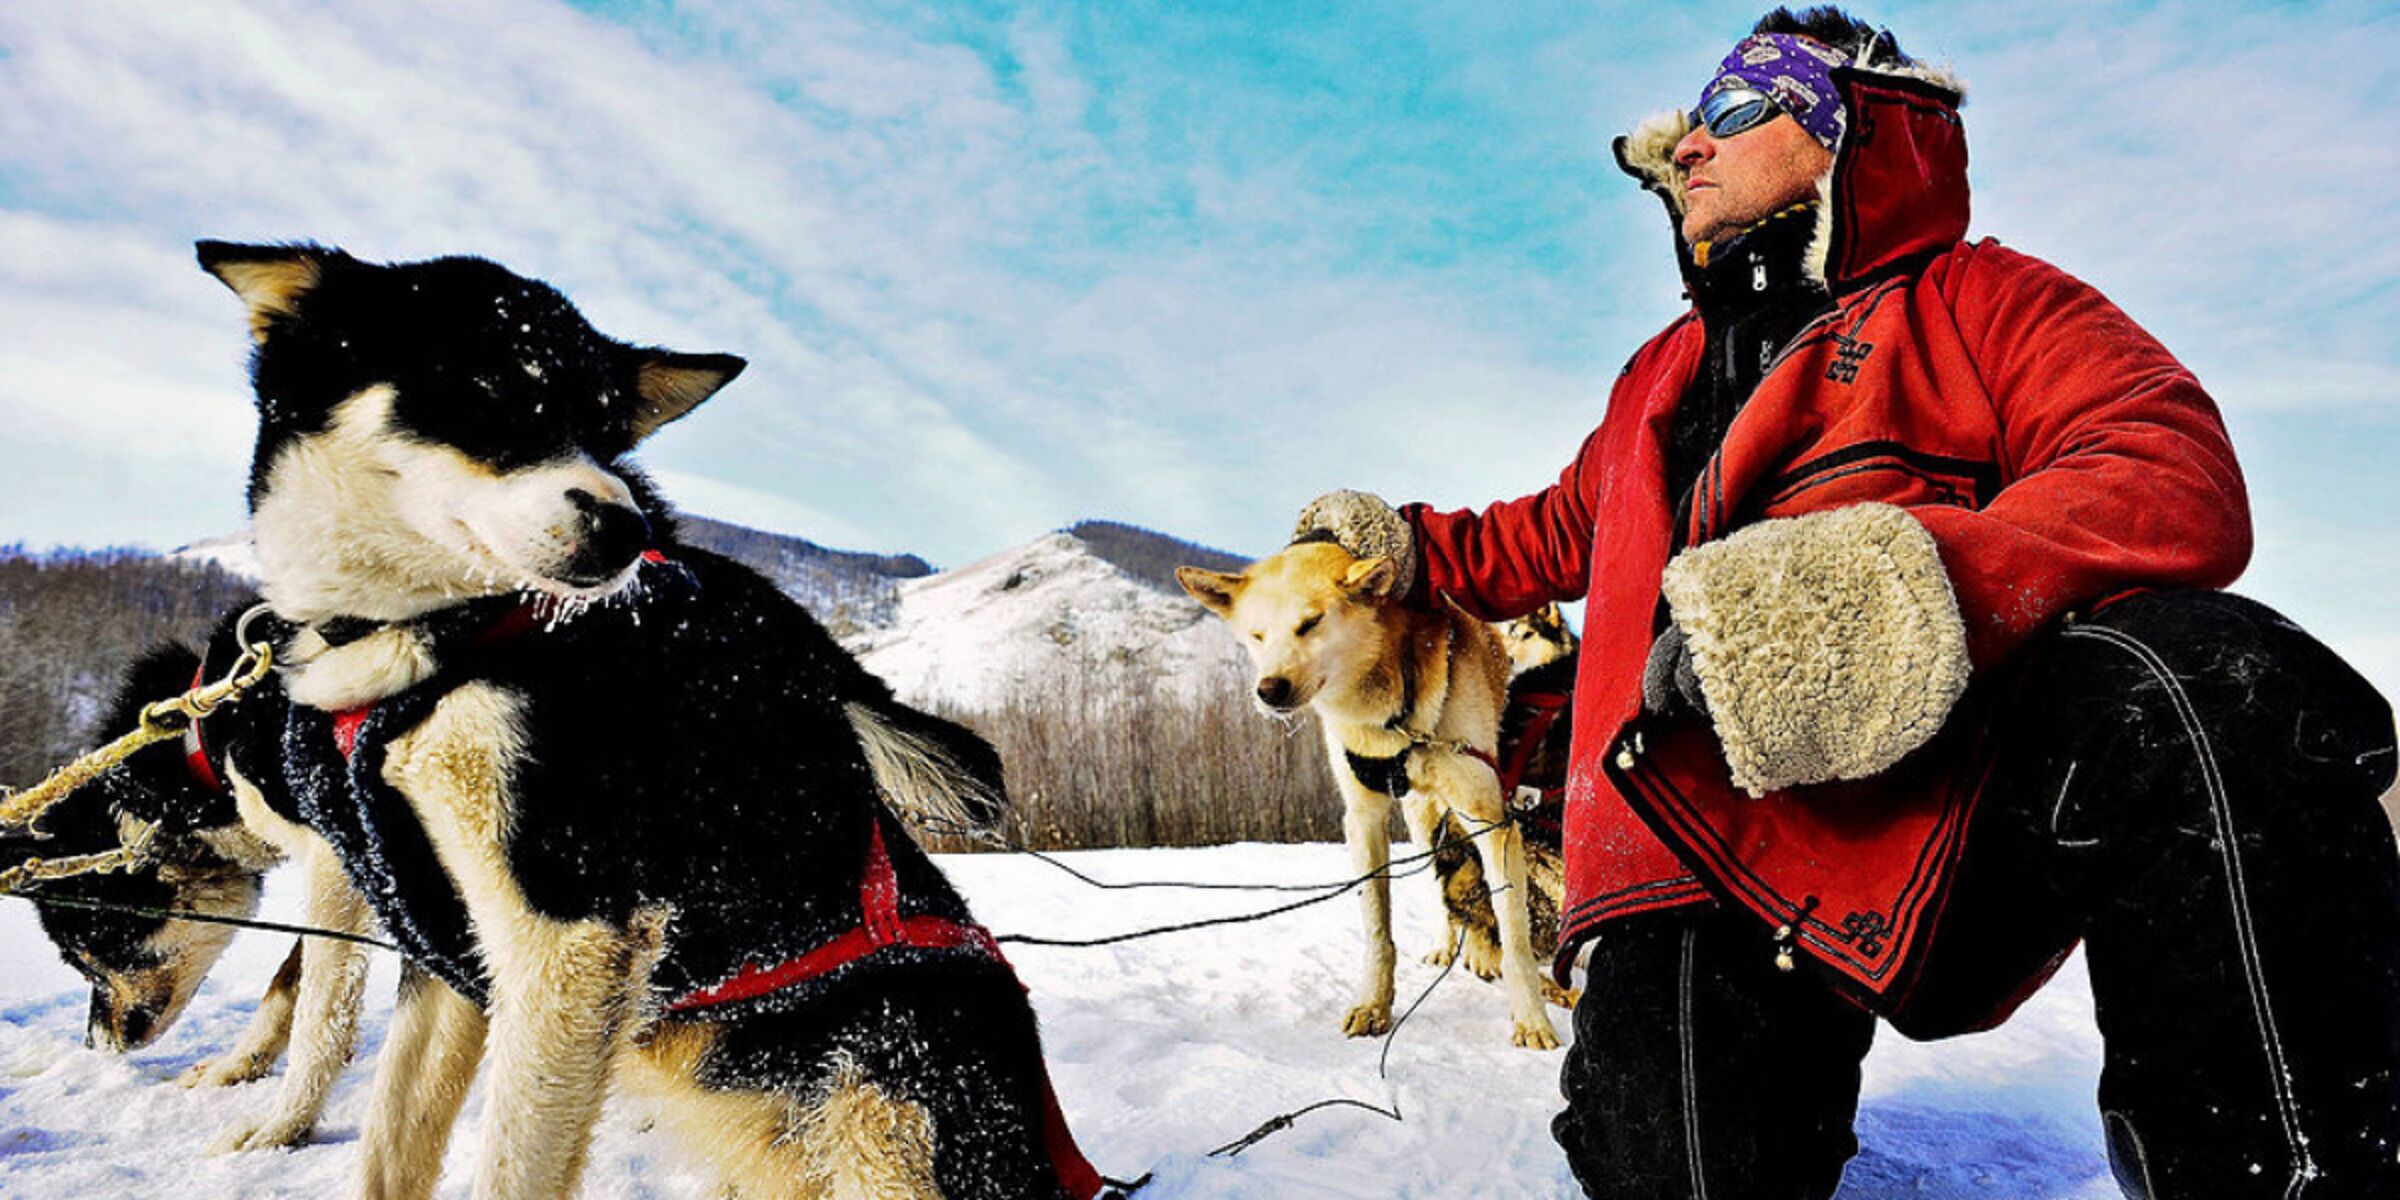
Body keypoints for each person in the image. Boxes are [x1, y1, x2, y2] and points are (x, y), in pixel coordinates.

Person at [1303, 8, 2400, 1197]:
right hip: (1701, 839)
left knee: (2198, 678)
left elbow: (2167, 467)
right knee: (1674, 1165)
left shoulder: (1982, 300)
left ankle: (2296, 1172)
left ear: (1842, 132)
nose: (1691, 146)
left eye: (1734, 112)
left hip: (1942, 808)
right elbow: (1556, 531)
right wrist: (1400, 548)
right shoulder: (1654, 377)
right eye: (1687, 126)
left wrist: (1869, 603)